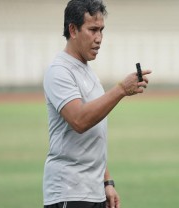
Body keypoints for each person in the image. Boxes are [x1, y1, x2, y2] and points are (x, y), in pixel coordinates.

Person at [42, 0, 151, 208]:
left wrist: (107, 181)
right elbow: (79, 120)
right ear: (73, 30)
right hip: (69, 192)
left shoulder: (87, 70)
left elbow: (94, 137)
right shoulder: (59, 71)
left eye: (101, 30)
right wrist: (120, 90)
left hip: (93, 191)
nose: (99, 38)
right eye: (92, 30)